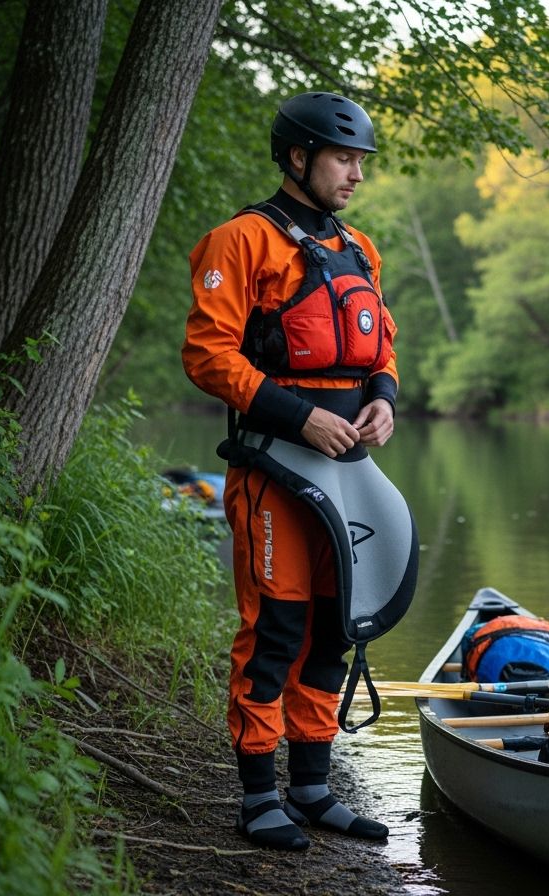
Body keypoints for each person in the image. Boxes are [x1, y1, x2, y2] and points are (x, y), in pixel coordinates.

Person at [182, 92, 401, 851]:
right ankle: (255, 796)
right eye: (345, 159)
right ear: (300, 158)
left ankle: (311, 787)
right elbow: (209, 356)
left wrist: (384, 398)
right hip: (275, 470)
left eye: (362, 161)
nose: (357, 175)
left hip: (347, 478)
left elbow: (382, 346)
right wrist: (299, 415)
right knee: (275, 628)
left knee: (333, 632)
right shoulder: (241, 241)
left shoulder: (360, 249)